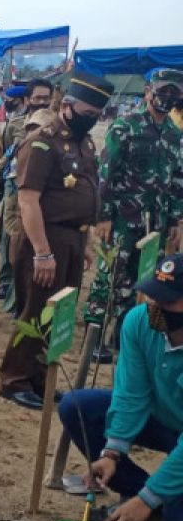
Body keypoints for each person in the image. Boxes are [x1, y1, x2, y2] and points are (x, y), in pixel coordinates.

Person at [0, 72, 114, 408]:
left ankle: (38, 379)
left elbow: (87, 191)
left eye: (96, 116)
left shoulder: (84, 142)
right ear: (65, 106)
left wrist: (87, 241)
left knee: (59, 312)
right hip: (45, 240)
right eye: (87, 113)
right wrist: (42, 253)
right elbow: (28, 200)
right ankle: (15, 379)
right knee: (35, 309)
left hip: (73, 240)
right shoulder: (41, 141)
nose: (90, 120)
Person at [59, 254, 183, 521]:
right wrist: (111, 452)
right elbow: (131, 394)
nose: (155, 306)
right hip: (163, 421)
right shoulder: (139, 322)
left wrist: (147, 499)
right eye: (153, 295)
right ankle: (149, 494)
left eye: (167, 301)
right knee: (78, 407)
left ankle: (156, 499)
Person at [85, 68, 183, 361]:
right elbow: (106, 175)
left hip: (157, 222)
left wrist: (177, 220)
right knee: (111, 276)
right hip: (123, 220)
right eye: (163, 91)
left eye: (174, 93)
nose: (167, 97)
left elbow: (178, 179)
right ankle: (94, 341)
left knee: (142, 280)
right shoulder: (124, 127)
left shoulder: (174, 134)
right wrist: (102, 217)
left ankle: (121, 335)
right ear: (148, 91)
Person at [0, 78, 54, 311]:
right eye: (37, 98)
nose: (42, 103)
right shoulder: (16, 124)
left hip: (39, 189)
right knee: (12, 234)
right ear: (27, 100)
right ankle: (9, 284)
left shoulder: (56, 126)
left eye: (46, 98)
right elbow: (10, 152)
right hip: (14, 184)